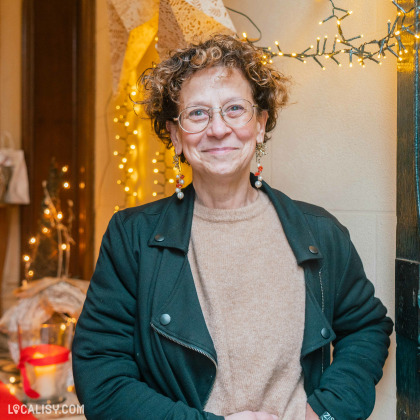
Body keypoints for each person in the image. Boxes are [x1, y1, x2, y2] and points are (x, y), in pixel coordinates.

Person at [72, 34, 393, 420]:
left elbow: (367, 328)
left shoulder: (319, 233)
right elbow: (102, 380)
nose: (218, 129)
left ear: (260, 124)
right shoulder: (132, 237)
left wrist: (320, 413)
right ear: (175, 136)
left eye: (234, 109)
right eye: (197, 113)